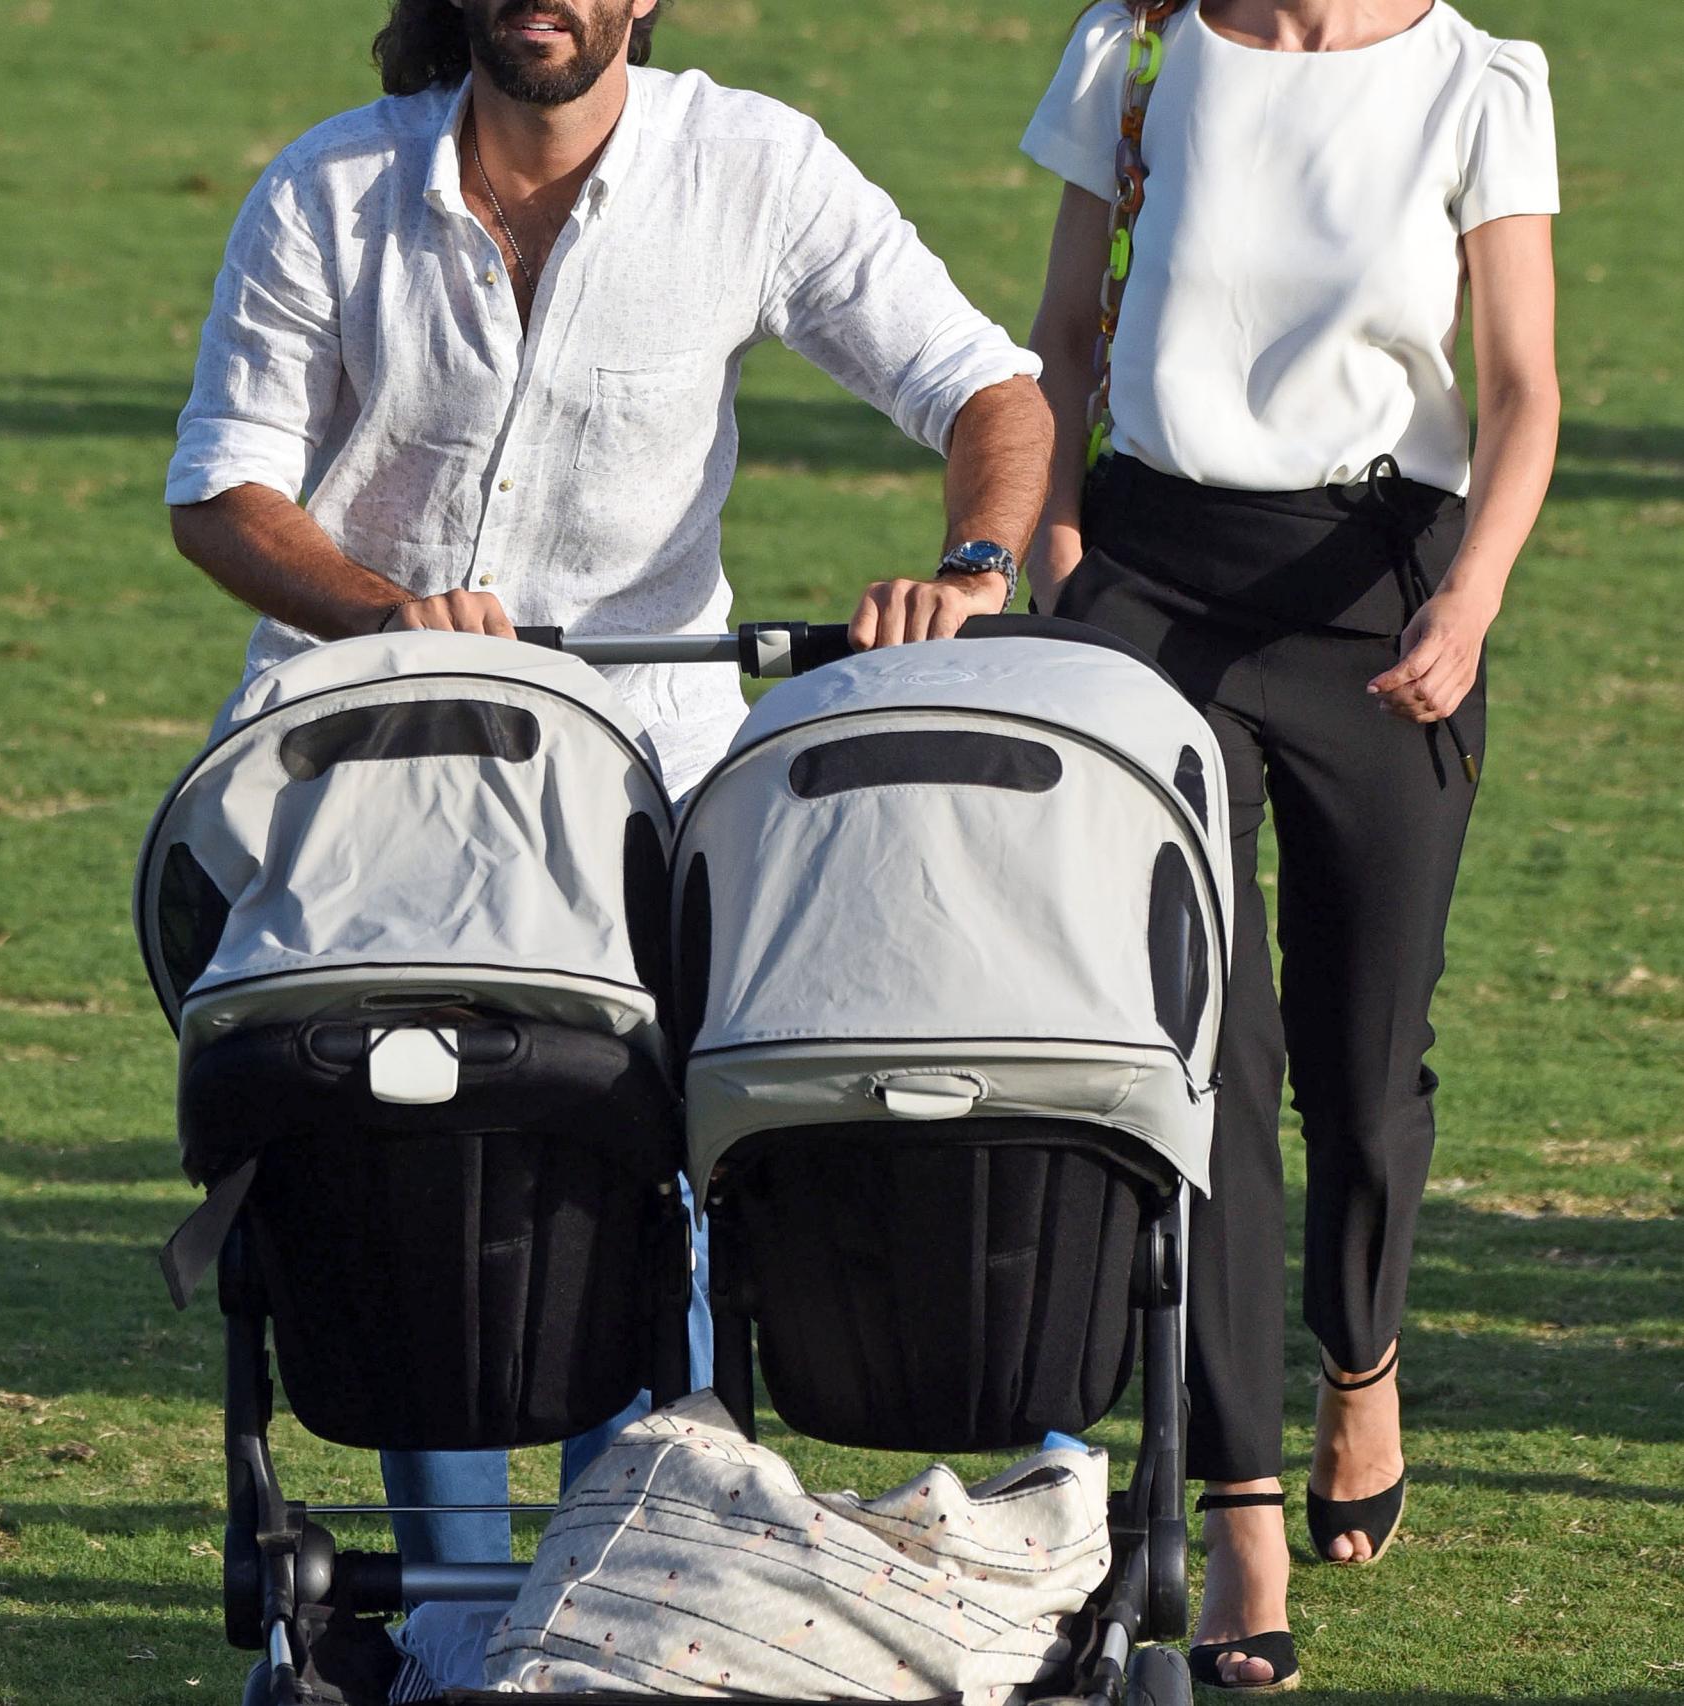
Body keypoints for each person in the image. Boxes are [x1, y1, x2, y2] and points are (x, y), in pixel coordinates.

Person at [166, 0, 1051, 1621]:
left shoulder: (754, 164)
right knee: (399, 1161)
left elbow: (990, 390)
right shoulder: (324, 190)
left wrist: (971, 571)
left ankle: (617, 1594)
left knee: (650, 1183)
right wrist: (381, 614)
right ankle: (443, 1607)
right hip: (371, 778)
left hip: (643, 787)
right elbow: (223, 489)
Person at [1022, 0, 1558, 1689]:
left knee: (1363, 1058)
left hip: (1380, 587)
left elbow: (1527, 388)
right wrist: (1050, 555)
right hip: (1150, 581)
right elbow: (1055, 336)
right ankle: (1235, 1509)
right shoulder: (1136, 50)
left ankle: (1362, 1353)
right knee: (1201, 1055)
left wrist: (1468, 602)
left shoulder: (1480, 80)